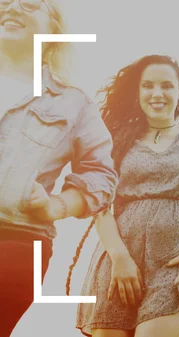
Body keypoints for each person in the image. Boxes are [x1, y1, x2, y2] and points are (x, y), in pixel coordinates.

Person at [70, 54, 179, 337]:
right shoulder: (114, 142)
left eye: (167, 85)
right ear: (138, 92)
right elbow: (101, 208)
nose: (157, 93)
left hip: (174, 263)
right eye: (148, 85)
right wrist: (119, 257)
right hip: (118, 261)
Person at [0, 0, 118, 335]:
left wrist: (57, 204)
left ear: (53, 30)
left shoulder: (73, 103)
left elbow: (102, 175)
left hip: (15, 240)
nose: (11, 8)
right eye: (5, 2)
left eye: (29, 4)